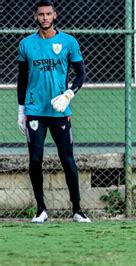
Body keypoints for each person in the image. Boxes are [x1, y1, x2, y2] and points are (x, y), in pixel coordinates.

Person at [17, 1, 90, 223]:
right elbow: (22, 78)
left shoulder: (69, 42)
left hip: (59, 110)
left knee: (67, 159)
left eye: (49, 14)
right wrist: (21, 109)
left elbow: (80, 74)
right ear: (35, 17)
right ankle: (41, 210)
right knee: (36, 159)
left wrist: (69, 94)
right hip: (34, 110)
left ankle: (77, 210)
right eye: (41, 14)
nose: (45, 17)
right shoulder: (26, 44)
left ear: (55, 15)